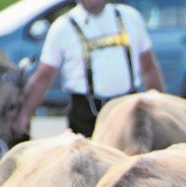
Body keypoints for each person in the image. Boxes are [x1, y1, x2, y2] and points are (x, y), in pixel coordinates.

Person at [14, 0, 164, 136]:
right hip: (85, 115)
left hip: (128, 110)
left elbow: (148, 67)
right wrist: (24, 113)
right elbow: (43, 77)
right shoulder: (63, 27)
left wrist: (160, 104)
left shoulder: (129, 17)